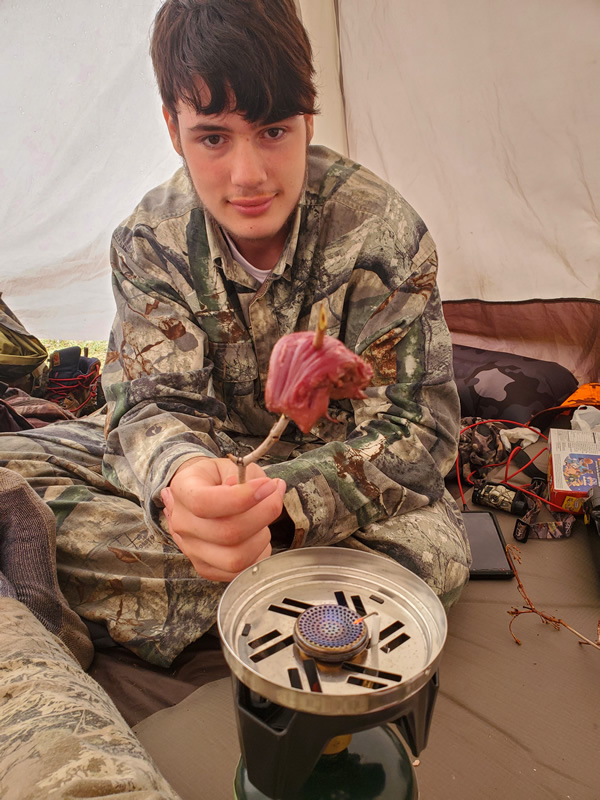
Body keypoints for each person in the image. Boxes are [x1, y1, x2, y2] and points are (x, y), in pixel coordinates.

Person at [0, 0, 470, 670]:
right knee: (15, 472)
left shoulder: (381, 234)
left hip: (338, 498)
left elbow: (419, 435)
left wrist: (282, 510)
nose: (247, 175)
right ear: (173, 127)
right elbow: (151, 407)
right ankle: (300, 605)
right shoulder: (150, 239)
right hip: (213, 467)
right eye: (214, 138)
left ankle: (234, 588)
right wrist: (182, 477)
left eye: (273, 131)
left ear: (309, 118)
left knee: (428, 557)